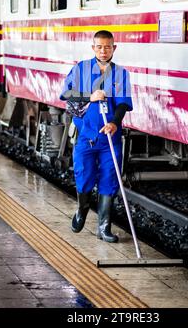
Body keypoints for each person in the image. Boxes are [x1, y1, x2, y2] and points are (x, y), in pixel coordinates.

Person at [60, 30, 133, 243]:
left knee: (110, 180)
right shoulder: (80, 68)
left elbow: (122, 103)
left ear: (114, 48)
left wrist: (114, 123)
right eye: (99, 47)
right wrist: (89, 96)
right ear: (93, 48)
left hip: (110, 137)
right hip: (86, 136)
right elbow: (66, 93)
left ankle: (104, 227)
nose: (103, 51)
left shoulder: (120, 73)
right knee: (84, 177)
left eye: (108, 47)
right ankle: (82, 209)